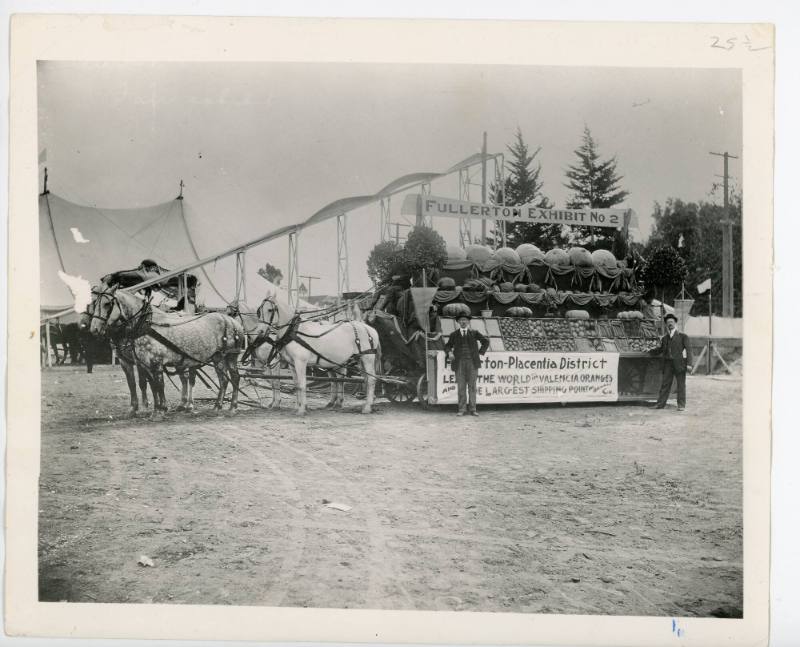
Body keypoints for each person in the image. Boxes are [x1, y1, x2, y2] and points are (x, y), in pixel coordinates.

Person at [444, 312, 489, 416]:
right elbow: (447, 346)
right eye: (461, 320)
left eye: (465, 320)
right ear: (458, 322)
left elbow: (485, 342)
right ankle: (462, 409)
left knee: (472, 386)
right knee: (461, 387)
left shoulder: (474, 333)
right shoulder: (454, 335)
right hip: (459, 364)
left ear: (468, 322)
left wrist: (480, 353)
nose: (463, 322)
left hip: (472, 363)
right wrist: (449, 352)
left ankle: (473, 409)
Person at [649, 312, 693, 411]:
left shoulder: (683, 336)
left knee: (681, 385)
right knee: (665, 384)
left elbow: (689, 350)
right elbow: (660, 350)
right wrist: (649, 351)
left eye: (672, 322)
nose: (670, 324)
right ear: (666, 324)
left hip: (679, 364)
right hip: (668, 364)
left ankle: (681, 405)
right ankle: (660, 404)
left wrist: (689, 364)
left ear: (675, 323)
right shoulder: (664, 338)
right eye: (668, 322)